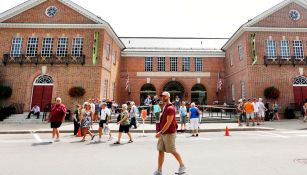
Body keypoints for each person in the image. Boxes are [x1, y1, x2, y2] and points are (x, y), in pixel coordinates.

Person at [153, 91, 186, 175]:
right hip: (163, 133)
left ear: (168, 97)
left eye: (164, 96)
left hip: (169, 133)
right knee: (160, 150)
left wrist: (160, 132)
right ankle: (159, 170)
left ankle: (182, 166)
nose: (162, 98)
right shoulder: (165, 107)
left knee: (172, 151)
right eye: (162, 96)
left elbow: (169, 122)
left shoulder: (170, 108)